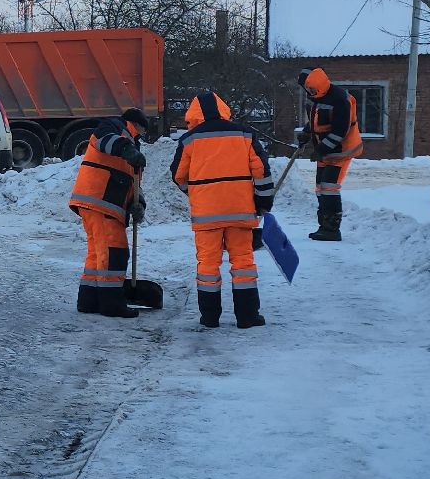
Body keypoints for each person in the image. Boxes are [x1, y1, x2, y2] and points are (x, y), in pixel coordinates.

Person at [172, 92, 275, 329]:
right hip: (240, 211)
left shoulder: (189, 140)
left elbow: (178, 176)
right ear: (223, 109)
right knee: (243, 263)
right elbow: (261, 170)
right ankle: (247, 316)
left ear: (194, 114)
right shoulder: (244, 134)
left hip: (206, 215)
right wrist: (263, 201)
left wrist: (197, 193)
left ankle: (209, 317)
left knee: (208, 265)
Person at [67, 108, 150, 318]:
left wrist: (138, 203)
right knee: (115, 252)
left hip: (99, 202)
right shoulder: (113, 127)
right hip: (101, 200)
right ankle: (112, 304)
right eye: (143, 129)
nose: (142, 134)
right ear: (137, 124)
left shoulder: (133, 147)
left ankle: (88, 300)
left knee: (98, 254)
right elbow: (104, 140)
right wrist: (127, 149)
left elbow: (135, 183)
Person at [297, 67, 361, 242]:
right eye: (306, 89)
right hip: (326, 150)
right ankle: (324, 226)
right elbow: (316, 121)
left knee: (329, 187)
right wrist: (306, 133)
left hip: (341, 150)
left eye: (309, 88)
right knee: (320, 188)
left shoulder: (340, 100)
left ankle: (333, 230)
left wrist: (320, 149)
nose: (308, 92)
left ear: (317, 85)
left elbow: (340, 131)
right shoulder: (316, 97)